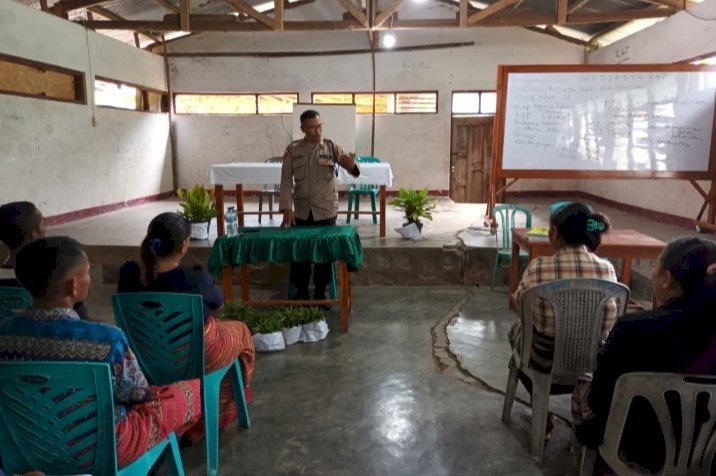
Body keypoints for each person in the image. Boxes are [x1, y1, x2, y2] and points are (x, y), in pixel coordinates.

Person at [0, 236, 202, 469]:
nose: (89, 278)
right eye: (87, 272)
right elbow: (139, 395)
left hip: (26, 445)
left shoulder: (4, 336)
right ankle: (150, 459)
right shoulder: (107, 340)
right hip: (101, 449)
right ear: (73, 285)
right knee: (190, 391)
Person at [574, 236, 716, 474]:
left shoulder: (632, 328)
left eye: (655, 266)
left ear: (666, 279)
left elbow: (598, 401)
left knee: (584, 386)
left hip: (639, 450)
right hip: (707, 454)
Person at [117, 212, 255, 440]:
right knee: (241, 332)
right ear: (183, 245)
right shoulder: (194, 279)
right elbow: (218, 305)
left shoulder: (128, 274)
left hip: (145, 356)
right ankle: (220, 408)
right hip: (192, 357)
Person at [278, 109, 360, 302]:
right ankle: (302, 292)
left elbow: (354, 171)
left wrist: (352, 165)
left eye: (319, 126)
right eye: (312, 127)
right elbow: (285, 180)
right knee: (300, 253)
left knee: (324, 254)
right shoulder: (293, 150)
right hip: (302, 211)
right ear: (303, 129)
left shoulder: (331, 147)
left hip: (325, 210)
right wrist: (287, 209)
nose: (317, 130)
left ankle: (320, 293)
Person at [0, 201, 92, 320]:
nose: (46, 230)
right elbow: (84, 319)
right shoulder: (53, 273)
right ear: (34, 234)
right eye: (43, 224)